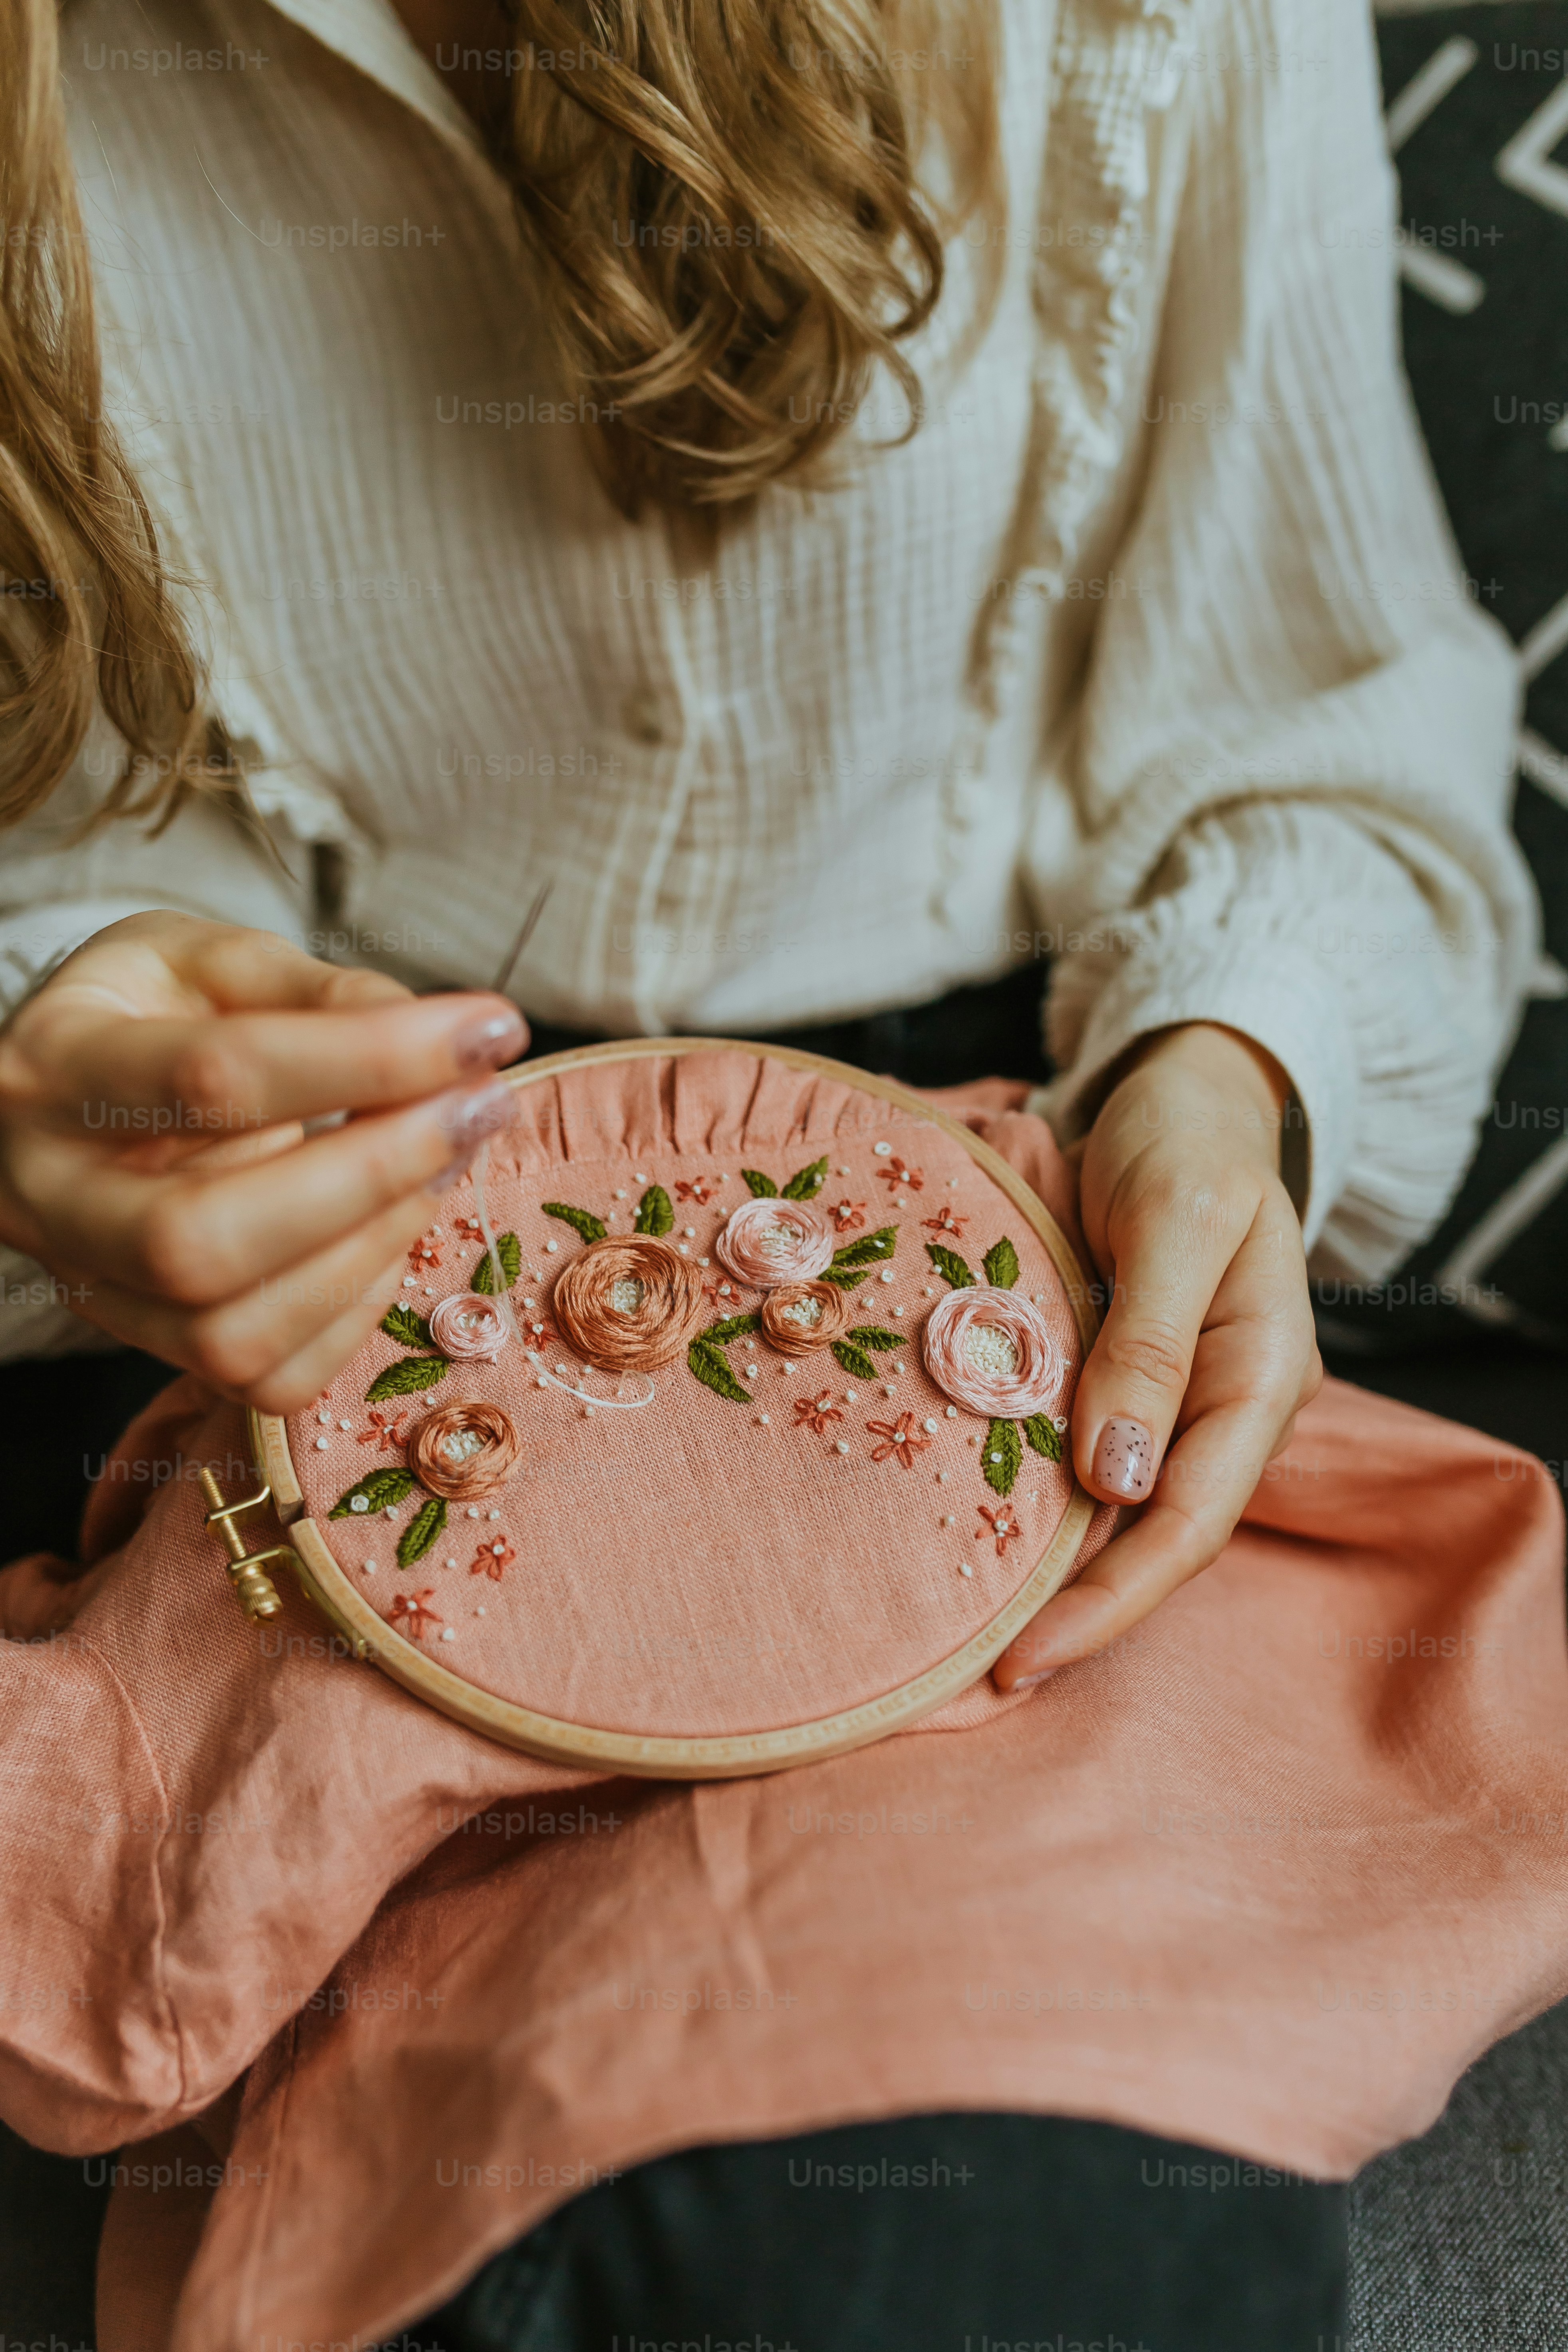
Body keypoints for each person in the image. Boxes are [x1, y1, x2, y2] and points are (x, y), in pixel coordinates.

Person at [0, 0, 1533, 2341]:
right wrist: (51, 1020)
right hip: (224, 1296)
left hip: (1004, 1233)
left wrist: (1226, 1062)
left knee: (991, 2230)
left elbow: (1320, 721)